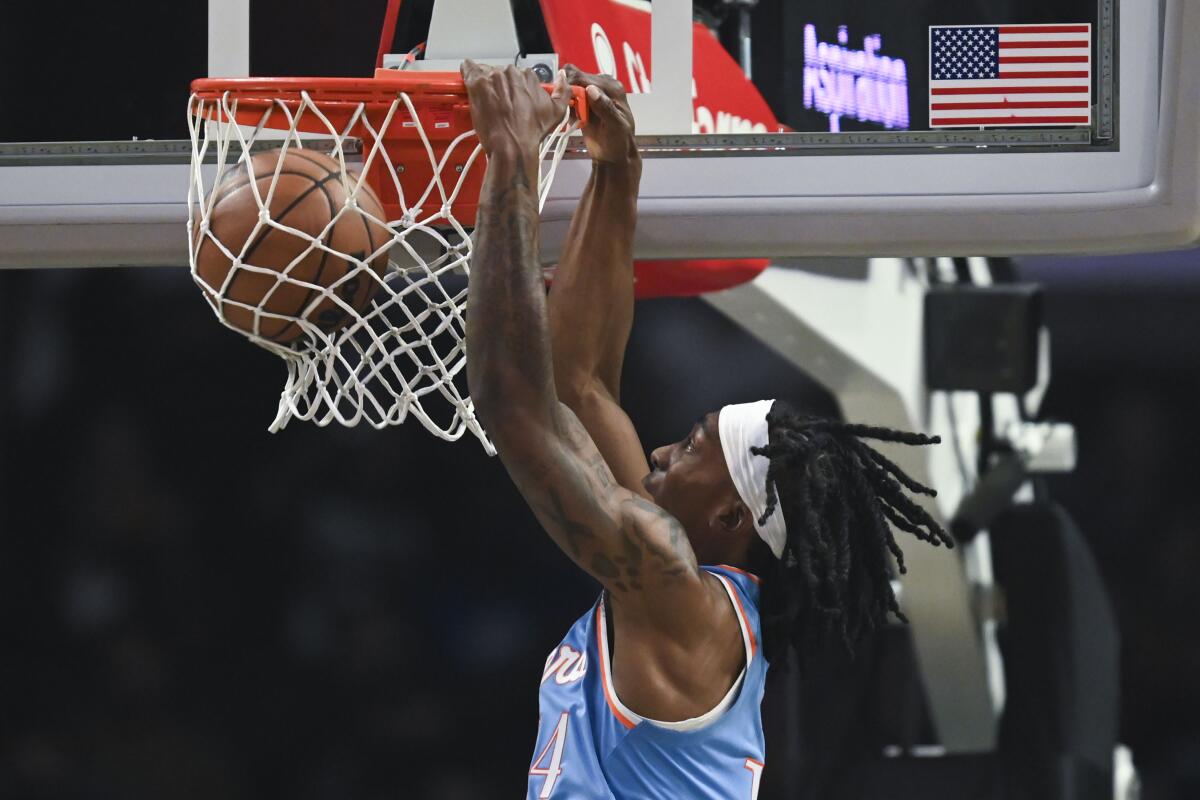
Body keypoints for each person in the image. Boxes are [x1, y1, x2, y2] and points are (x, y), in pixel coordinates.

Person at [460, 60, 954, 800]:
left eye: (691, 449)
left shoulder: (675, 590)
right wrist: (617, 170)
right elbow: (577, 386)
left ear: (731, 514)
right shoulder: (679, 581)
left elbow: (513, 400)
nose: (661, 450)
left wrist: (512, 159)